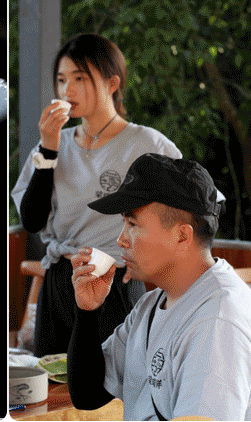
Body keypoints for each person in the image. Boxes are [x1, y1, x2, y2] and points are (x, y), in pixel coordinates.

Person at [11, 33, 182, 356]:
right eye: (61, 80)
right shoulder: (52, 144)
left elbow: (193, 210)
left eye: (80, 78)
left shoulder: (147, 144)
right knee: (51, 388)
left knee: (110, 392)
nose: (67, 91)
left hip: (113, 281)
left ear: (112, 83)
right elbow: (32, 221)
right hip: (59, 280)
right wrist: (48, 147)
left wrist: (152, 261)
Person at [67, 154, 251, 421]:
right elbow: (88, 396)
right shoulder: (151, 304)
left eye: (133, 224)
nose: (121, 239)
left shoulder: (220, 320)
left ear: (182, 235)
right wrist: (87, 312)